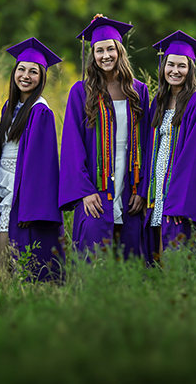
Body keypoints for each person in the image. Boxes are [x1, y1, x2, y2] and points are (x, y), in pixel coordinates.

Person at [59, 15, 151, 259]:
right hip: (96, 188)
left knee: (130, 259)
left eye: (111, 49)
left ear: (120, 51)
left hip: (130, 184)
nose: (106, 55)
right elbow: (72, 145)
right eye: (99, 50)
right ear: (93, 55)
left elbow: (148, 144)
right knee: (93, 256)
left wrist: (142, 190)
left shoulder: (139, 91)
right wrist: (84, 192)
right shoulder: (82, 91)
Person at [0, 38, 64, 281]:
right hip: (4, 185)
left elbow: (42, 166)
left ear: (41, 78)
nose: (26, 75)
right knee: (0, 258)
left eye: (33, 72)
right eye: (21, 69)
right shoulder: (10, 108)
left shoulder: (40, 111)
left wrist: (27, 206)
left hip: (21, 190)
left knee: (8, 254)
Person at [144, 30, 196, 259]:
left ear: (190, 70)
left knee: (178, 248)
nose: (175, 71)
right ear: (163, 67)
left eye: (182, 66)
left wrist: (179, 201)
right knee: (158, 246)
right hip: (158, 186)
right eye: (170, 65)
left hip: (179, 193)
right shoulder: (159, 101)